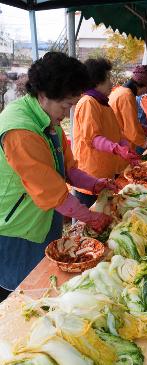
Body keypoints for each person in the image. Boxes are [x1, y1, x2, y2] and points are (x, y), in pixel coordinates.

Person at [0, 52, 113, 301]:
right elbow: (55, 194)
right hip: (19, 228)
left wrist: (95, 183)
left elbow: (69, 169)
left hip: (43, 221)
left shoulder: (47, 119)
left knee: (42, 287)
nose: (67, 112)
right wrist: (93, 218)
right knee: (18, 297)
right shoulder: (21, 129)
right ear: (43, 95)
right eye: (66, 105)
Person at [73, 58, 139, 208]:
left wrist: (126, 148)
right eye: (108, 78)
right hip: (90, 177)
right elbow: (93, 138)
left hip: (105, 175)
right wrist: (117, 149)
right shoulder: (88, 102)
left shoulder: (104, 104)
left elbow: (116, 134)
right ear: (97, 81)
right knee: (89, 222)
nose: (111, 83)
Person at [109, 65, 147, 153]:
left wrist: (145, 129)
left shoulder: (120, 90)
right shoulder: (127, 96)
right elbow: (131, 131)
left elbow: (128, 121)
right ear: (141, 85)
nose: (146, 92)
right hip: (121, 147)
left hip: (117, 143)